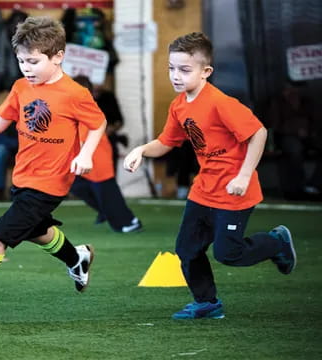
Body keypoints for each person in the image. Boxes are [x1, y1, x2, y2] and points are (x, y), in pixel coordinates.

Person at [123, 32, 297, 320]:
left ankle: (277, 242)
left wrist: (243, 175)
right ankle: (207, 303)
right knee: (187, 248)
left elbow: (258, 133)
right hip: (204, 190)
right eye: (171, 68)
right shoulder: (179, 105)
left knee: (229, 254)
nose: (175, 76)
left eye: (184, 70)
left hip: (234, 191)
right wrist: (141, 150)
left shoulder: (220, 103)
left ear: (206, 72)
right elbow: (166, 142)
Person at [0, 17, 107, 313]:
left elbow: (98, 123)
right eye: (21, 61)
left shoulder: (74, 93)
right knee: (36, 230)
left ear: (58, 57)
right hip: (23, 178)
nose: (26, 68)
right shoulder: (20, 88)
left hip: (50, 183)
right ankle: (76, 257)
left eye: (33, 61)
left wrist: (86, 154)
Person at [70, 75, 142, 233]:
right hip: (89, 160)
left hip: (98, 159)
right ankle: (107, 212)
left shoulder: (85, 110)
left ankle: (130, 221)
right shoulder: (80, 109)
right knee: (78, 186)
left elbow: (80, 140)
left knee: (108, 194)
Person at [268, 80, 322, 200]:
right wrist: (295, 131)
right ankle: (297, 188)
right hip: (286, 136)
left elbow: (315, 120)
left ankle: (314, 185)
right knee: (295, 150)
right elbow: (275, 125)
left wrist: (309, 132)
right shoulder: (278, 103)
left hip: (308, 136)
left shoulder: (307, 102)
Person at [0, 122, 18, 201]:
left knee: (30, 154)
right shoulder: (6, 113)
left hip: (24, 143)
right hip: (6, 142)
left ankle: (18, 190)